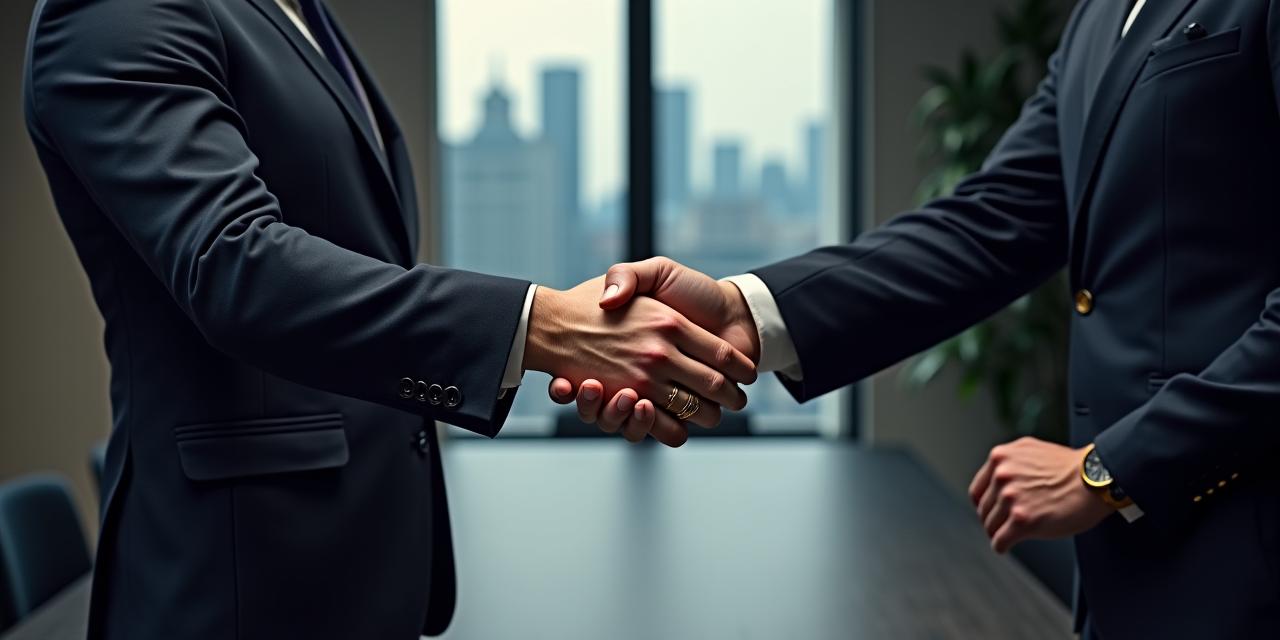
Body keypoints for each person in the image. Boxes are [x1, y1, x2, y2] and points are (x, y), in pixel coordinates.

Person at [21, 0, 755, 637]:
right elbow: (235, 263)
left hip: (358, 564)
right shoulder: (110, 10)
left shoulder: (299, 15)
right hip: (241, 585)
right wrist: (542, 328)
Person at [558, 0, 1280, 637]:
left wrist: (1109, 468)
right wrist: (747, 315)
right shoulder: (1099, 18)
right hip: (1136, 576)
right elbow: (990, 223)